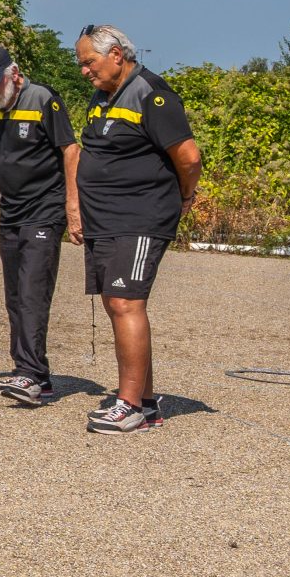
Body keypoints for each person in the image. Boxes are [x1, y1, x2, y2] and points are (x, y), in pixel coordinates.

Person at [73, 23, 201, 434]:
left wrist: (184, 196)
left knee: (127, 302)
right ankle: (144, 402)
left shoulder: (152, 94)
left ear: (116, 55)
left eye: (89, 62)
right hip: (104, 217)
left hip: (140, 216)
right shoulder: (103, 94)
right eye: (81, 64)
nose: (84, 71)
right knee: (115, 303)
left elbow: (189, 157)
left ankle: (129, 405)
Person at [0, 43, 79, 409]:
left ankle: (30, 372)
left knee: (32, 291)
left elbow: (71, 150)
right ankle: (31, 374)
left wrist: (73, 205)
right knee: (15, 294)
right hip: (11, 209)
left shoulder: (42, 99)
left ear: (14, 74)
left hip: (45, 208)